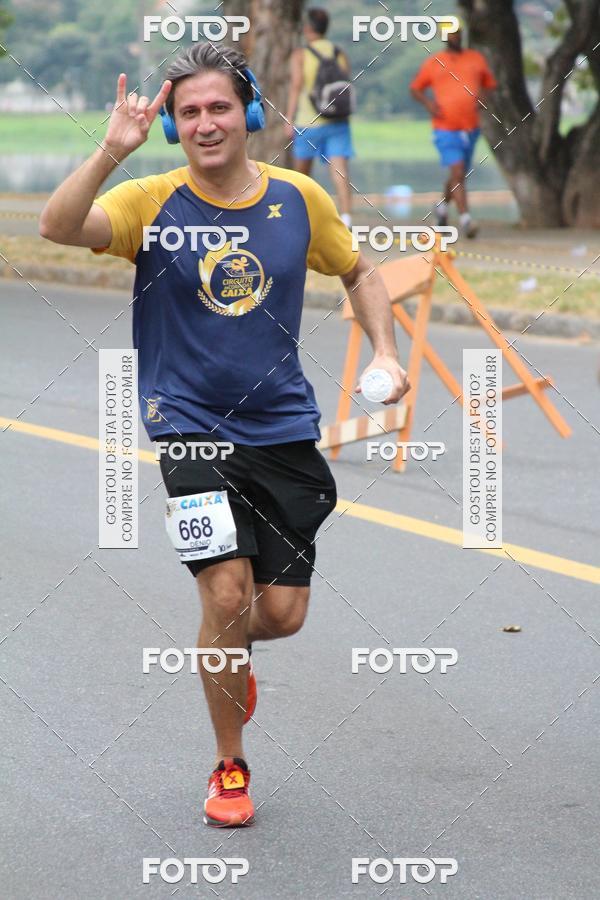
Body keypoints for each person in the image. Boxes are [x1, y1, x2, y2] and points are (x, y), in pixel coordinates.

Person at [38, 42, 409, 828]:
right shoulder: (151, 201)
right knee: (228, 594)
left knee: (277, 617)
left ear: (246, 113)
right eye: (188, 112)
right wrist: (111, 148)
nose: (205, 123)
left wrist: (385, 350)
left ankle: (225, 655)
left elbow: (359, 269)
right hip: (189, 431)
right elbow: (58, 226)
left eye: (217, 107)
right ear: (172, 126)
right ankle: (230, 764)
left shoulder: (299, 199)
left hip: (282, 430)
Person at [410, 20, 497, 238]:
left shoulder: (475, 58)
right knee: (458, 172)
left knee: (458, 175)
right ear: (444, 37)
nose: (455, 37)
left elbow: (489, 84)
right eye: (451, 34)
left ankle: (441, 208)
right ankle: (467, 220)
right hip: (445, 128)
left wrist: (482, 100)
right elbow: (416, 88)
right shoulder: (434, 62)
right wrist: (430, 105)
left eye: (458, 33)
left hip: (470, 128)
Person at [285, 7, 354, 227]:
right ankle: (346, 217)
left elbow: (296, 86)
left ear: (307, 28)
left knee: (302, 175)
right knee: (340, 171)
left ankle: (299, 218)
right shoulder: (338, 52)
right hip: (338, 120)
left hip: (308, 122)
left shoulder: (301, 54)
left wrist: (288, 117)